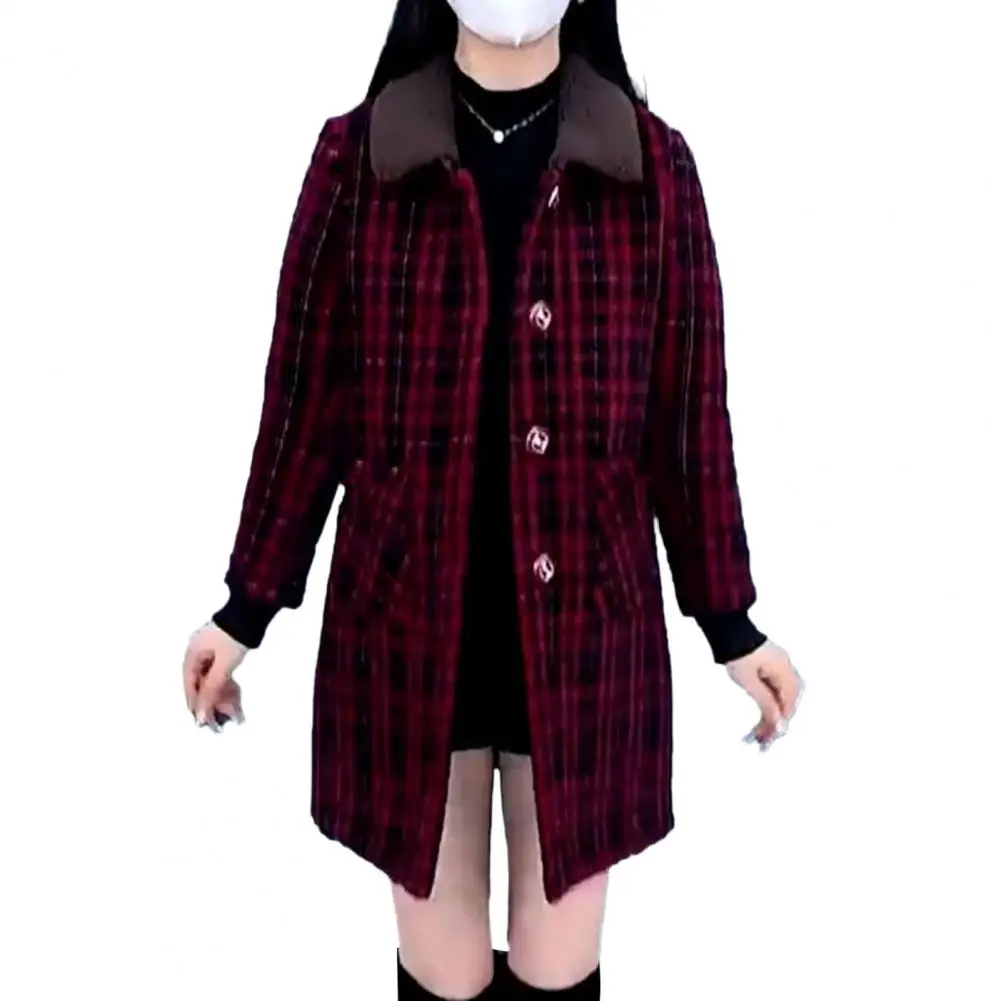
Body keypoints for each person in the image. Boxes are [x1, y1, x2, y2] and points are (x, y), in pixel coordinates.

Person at [181, 1, 803, 997]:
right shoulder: (359, 158)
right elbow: (304, 404)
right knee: (445, 969)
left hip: (588, 629)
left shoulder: (651, 167)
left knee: (559, 963)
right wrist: (244, 605)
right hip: (407, 621)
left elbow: (688, 417)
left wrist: (730, 622)